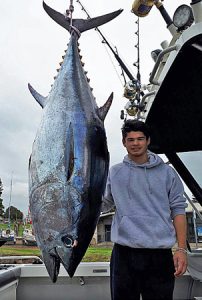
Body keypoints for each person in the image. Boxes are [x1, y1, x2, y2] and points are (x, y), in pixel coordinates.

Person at [102, 119, 187, 300]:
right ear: (124, 142)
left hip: (159, 255)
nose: (135, 144)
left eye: (140, 139)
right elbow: (102, 204)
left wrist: (181, 250)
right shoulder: (114, 173)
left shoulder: (167, 173)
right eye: (130, 140)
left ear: (148, 141)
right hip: (124, 254)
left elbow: (178, 211)